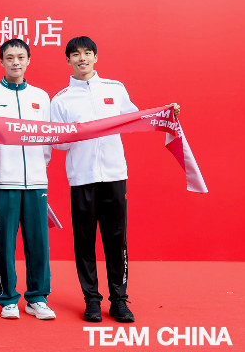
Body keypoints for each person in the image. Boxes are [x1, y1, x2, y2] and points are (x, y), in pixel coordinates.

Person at [50, 36, 180, 323]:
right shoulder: (61, 99)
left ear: (96, 57)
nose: (82, 58)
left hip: (114, 175)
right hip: (82, 177)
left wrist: (166, 114)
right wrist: (73, 131)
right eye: (75, 54)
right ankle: (92, 301)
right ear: (68, 60)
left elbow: (136, 119)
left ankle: (119, 300)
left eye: (87, 53)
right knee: (84, 241)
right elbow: (57, 142)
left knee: (116, 239)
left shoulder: (115, 89)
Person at [0, 38, 56, 320]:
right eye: (10, 58)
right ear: (1, 61)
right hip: (2, 181)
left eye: (20, 57)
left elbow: (47, 138)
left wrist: (39, 169)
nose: (15, 62)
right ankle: (7, 298)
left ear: (28, 60)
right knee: (5, 243)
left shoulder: (41, 97)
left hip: (35, 181)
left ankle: (38, 298)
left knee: (38, 242)